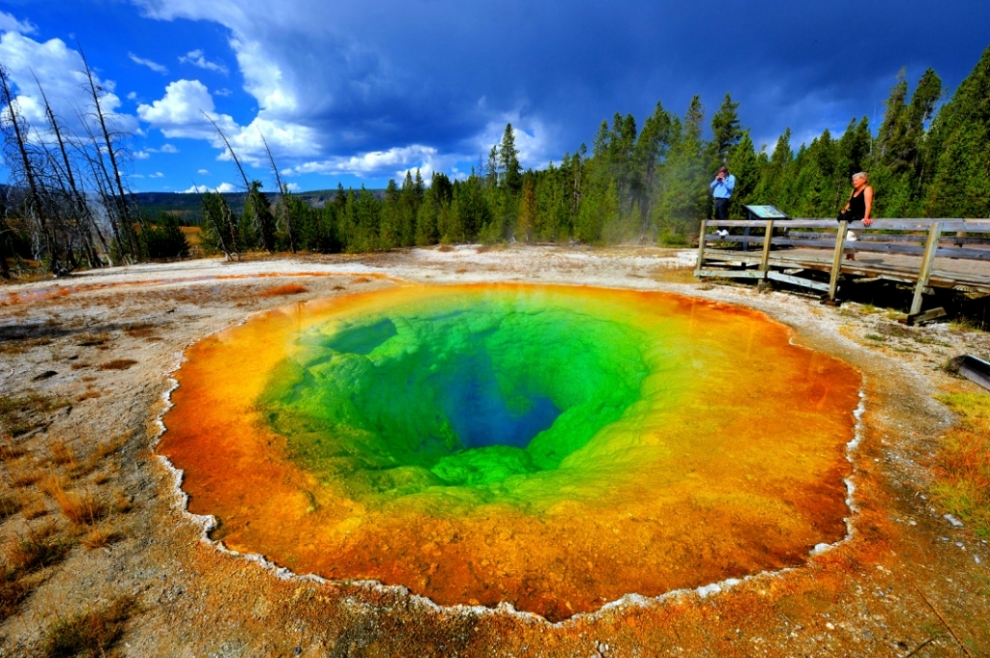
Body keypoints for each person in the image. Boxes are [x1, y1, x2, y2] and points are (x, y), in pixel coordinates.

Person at [837, 172, 874, 260]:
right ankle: (850, 259)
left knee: (850, 237)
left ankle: (850, 259)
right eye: (853, 180)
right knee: (846, 237)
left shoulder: (868, 189)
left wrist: (866, 217)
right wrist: (844, 210)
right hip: (851, 218)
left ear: (864, 180)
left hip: (860, 217)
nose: (854, 182)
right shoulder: (853, 190)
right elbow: (850, 203)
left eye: (856, 180)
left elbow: (868, 204)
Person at [710, 165, 735, 237]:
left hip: (724, 198)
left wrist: (724, 180)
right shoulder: (718, 178)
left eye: (722, 173)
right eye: (719, 173)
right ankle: (719, 230)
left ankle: (725, 230)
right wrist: (716, 180)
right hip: (717, 198)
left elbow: (731, 187)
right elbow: (711, 186)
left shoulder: (731, 177)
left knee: (722, 214)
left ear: (726, 172)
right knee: (717, 214)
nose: (720, 174)